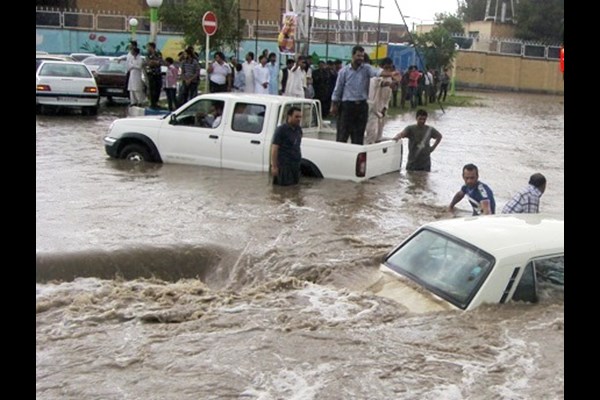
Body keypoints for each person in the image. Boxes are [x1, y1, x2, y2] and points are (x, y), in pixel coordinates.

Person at [330, 45, 400, 145]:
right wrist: (334, 106)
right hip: (347, 107)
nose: (360, 58)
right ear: (353, 55)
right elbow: (337, 90)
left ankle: (357, 158)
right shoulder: (343, 72)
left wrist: (391, 74)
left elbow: (377, 72)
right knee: (342, 135)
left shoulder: (366, 69)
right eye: (358, 56)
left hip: (362, 106)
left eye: (362, 56)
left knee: (358, 136)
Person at [365, 57, 396, 144]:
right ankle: (368, 147)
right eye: (386, 68)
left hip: (383, 109)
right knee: (371, 130)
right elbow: (379, 83)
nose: (388, 70)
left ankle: (377, 145)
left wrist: (385, 107)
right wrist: (389, 84)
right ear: (381, 66)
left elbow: (388, 96)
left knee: (380, 131)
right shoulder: (376, 76)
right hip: (373, 107)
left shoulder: (389, 78)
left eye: (390, 68)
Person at [271, 106, 303, 186]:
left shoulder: (298, 129)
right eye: (296, 117)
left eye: (300, 117)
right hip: (284, 166)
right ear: (289, 116)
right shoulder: (281, 130)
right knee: (283, 190)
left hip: (295, 165)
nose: (298, 119)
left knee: (294, 189)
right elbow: (274, 148)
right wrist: (274, 167)